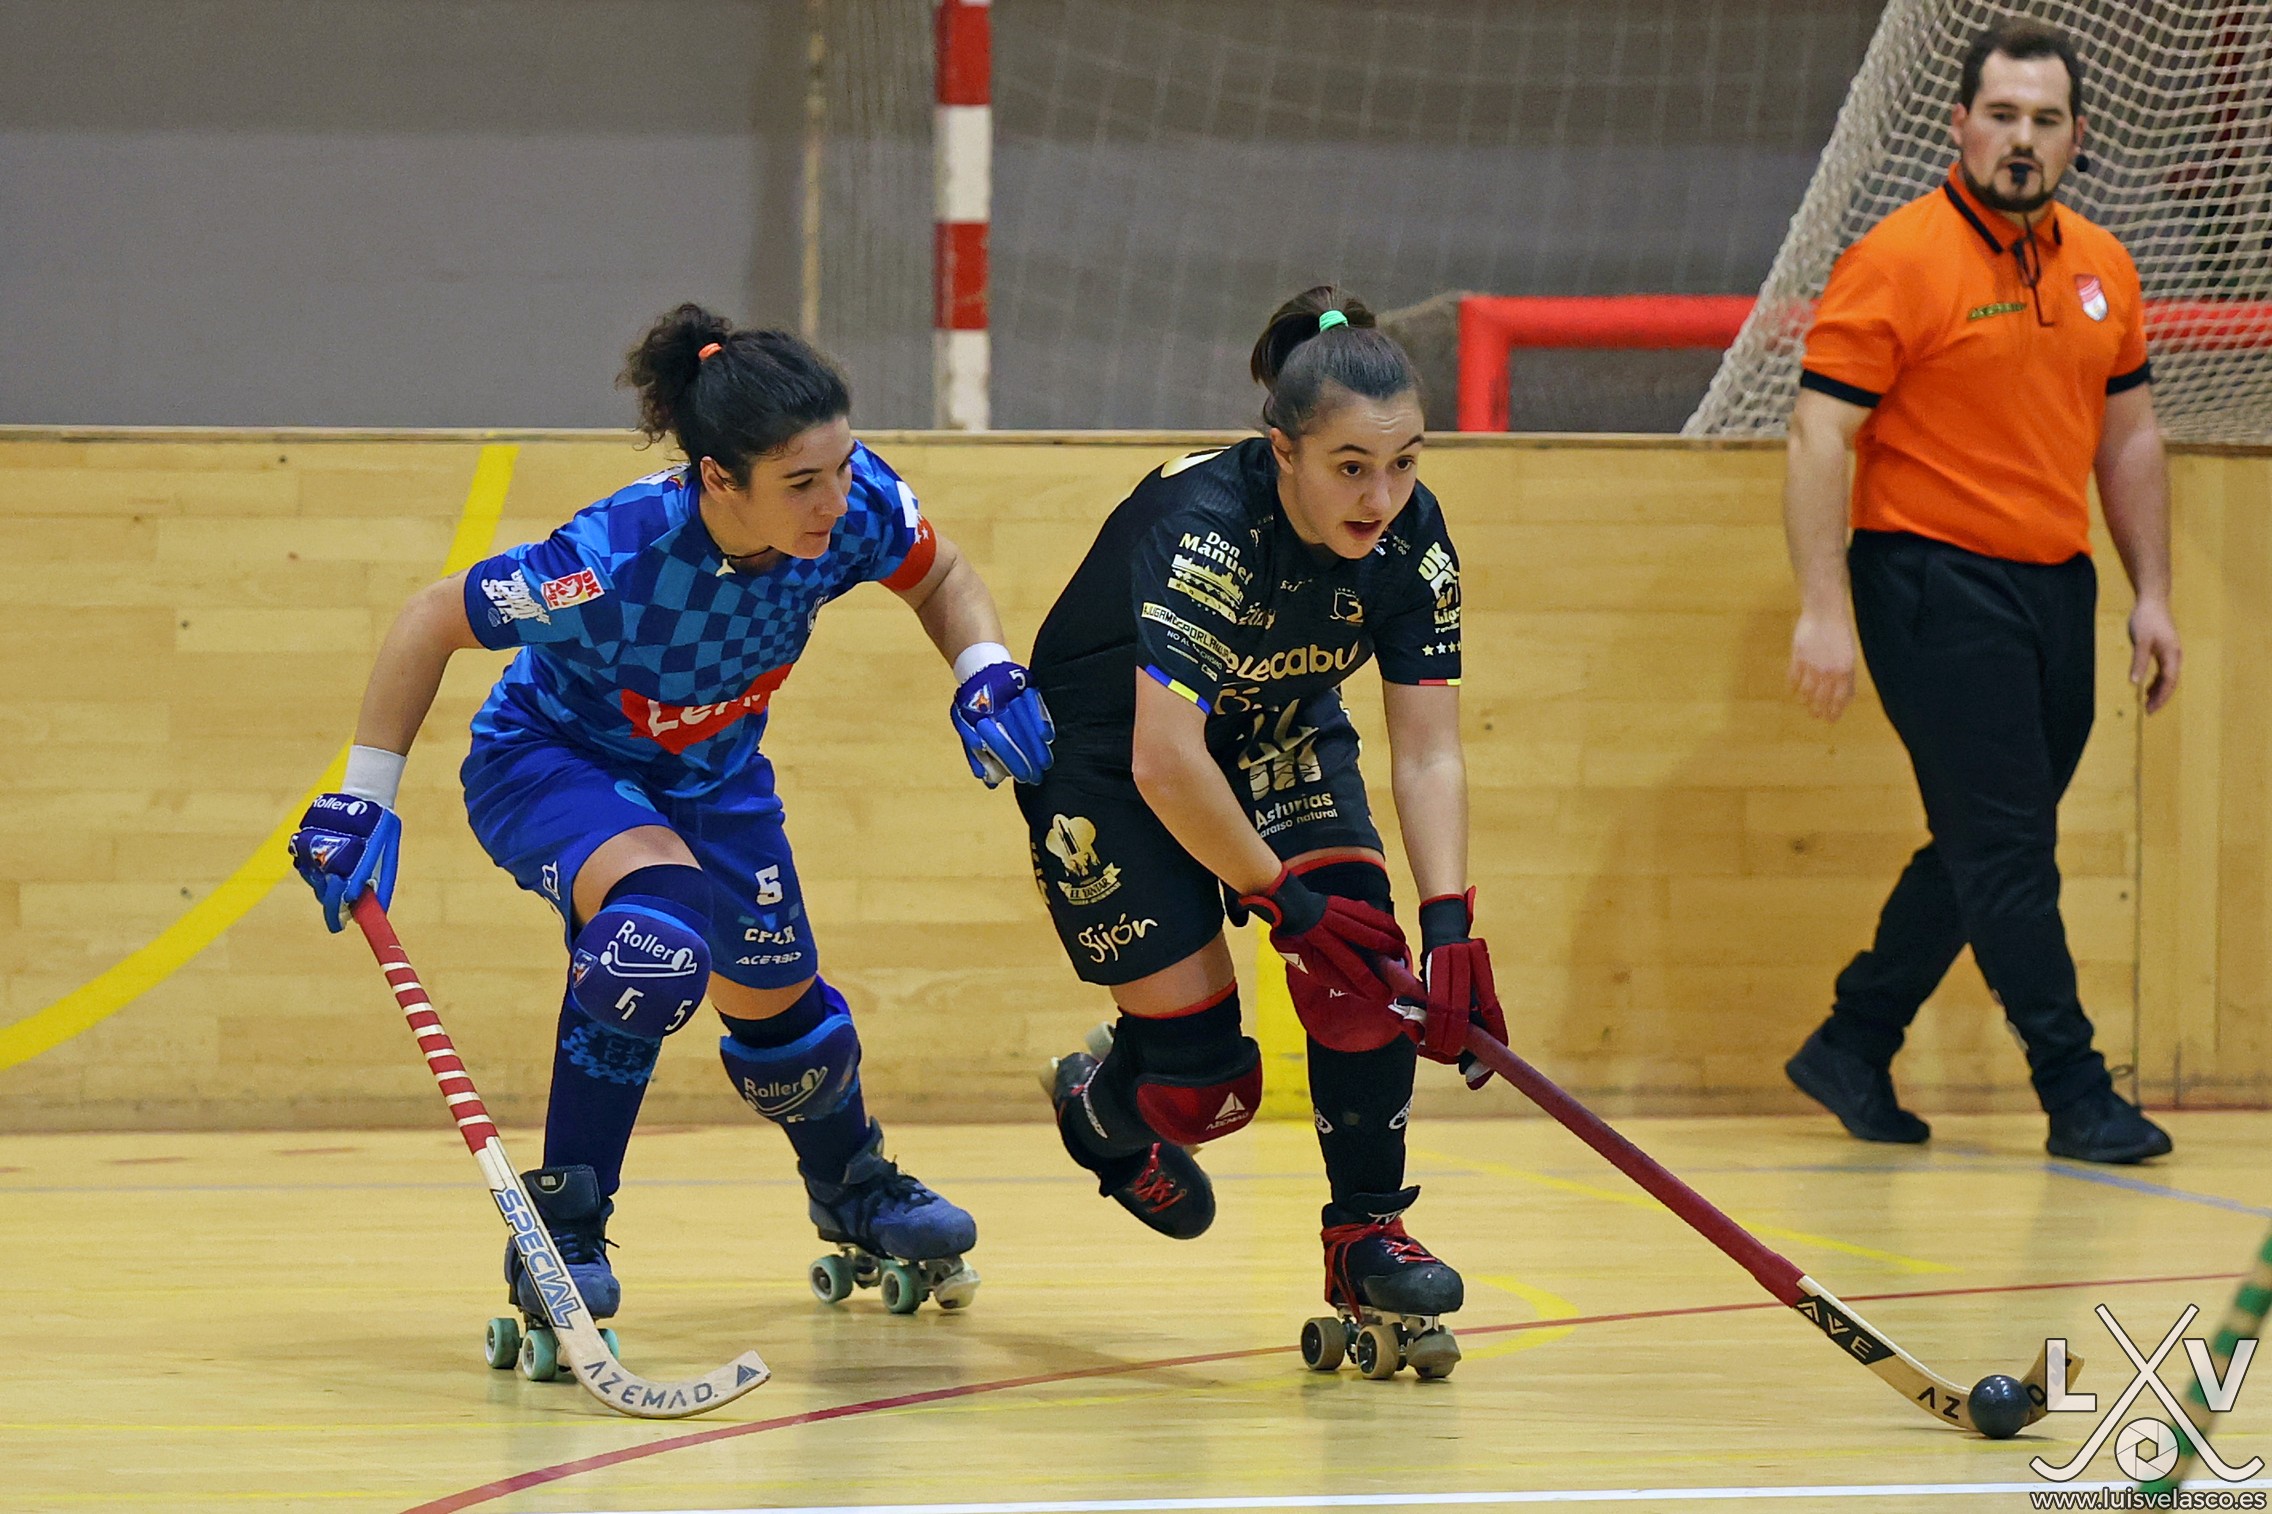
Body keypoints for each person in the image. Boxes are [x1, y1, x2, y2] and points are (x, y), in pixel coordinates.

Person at [288, 305, 1055, 1332]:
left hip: (714, 776)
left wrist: (985, 666)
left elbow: (943, 574)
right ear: (717, 478)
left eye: (841, 465)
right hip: (553, 761)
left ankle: (853, 1187)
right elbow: (431, 618)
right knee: (654, 932)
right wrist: (363, 792)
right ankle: (564, 1226)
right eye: (802, 482)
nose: (836, 500)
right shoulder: (607, 560)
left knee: (783, 1018)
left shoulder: (854, 503)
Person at [1017, 287, 1506, 1379]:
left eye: (1405, 463)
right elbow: (1165, 759)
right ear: (1282, 451)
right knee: (1206, 1094)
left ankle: (1368, 1231)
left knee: (1364, 964)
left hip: (1277, 722)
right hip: (1112, 748)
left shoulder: (1413, 538)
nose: (1381, 497)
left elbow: (1429, 751)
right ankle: (1101, 1105)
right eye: (1350, 467)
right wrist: (1286, 903)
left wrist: (1448, 925)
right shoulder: (1208, 525)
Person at [1782, 20, 2178, 1165]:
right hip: (1929, 581)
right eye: (2000, 115)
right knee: (2006, 849)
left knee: (1988, 836)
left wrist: (2151, 593)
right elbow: (1817, 432)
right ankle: (2076, 1091)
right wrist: (1823, 609)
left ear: (2075, 136)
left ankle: (1854, 1037)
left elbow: (2130, 438)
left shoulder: (2102, 265)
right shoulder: (1897, 259)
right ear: (1958, 125)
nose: (2020, 138)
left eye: (2043, 120)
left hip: (2055, 585)